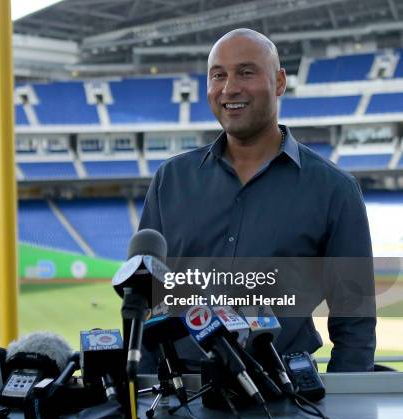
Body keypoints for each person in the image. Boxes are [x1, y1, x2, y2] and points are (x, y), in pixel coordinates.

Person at [139, 28, 376, 372]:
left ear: (279, 82)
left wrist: (346, 409)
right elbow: (146, 300)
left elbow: (355, 322)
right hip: (182, 399)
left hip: (288, 399)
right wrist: (143, 400)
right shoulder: (170, 181)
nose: (229, 88)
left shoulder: (334, 189)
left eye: (246, 72)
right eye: (218, 75)